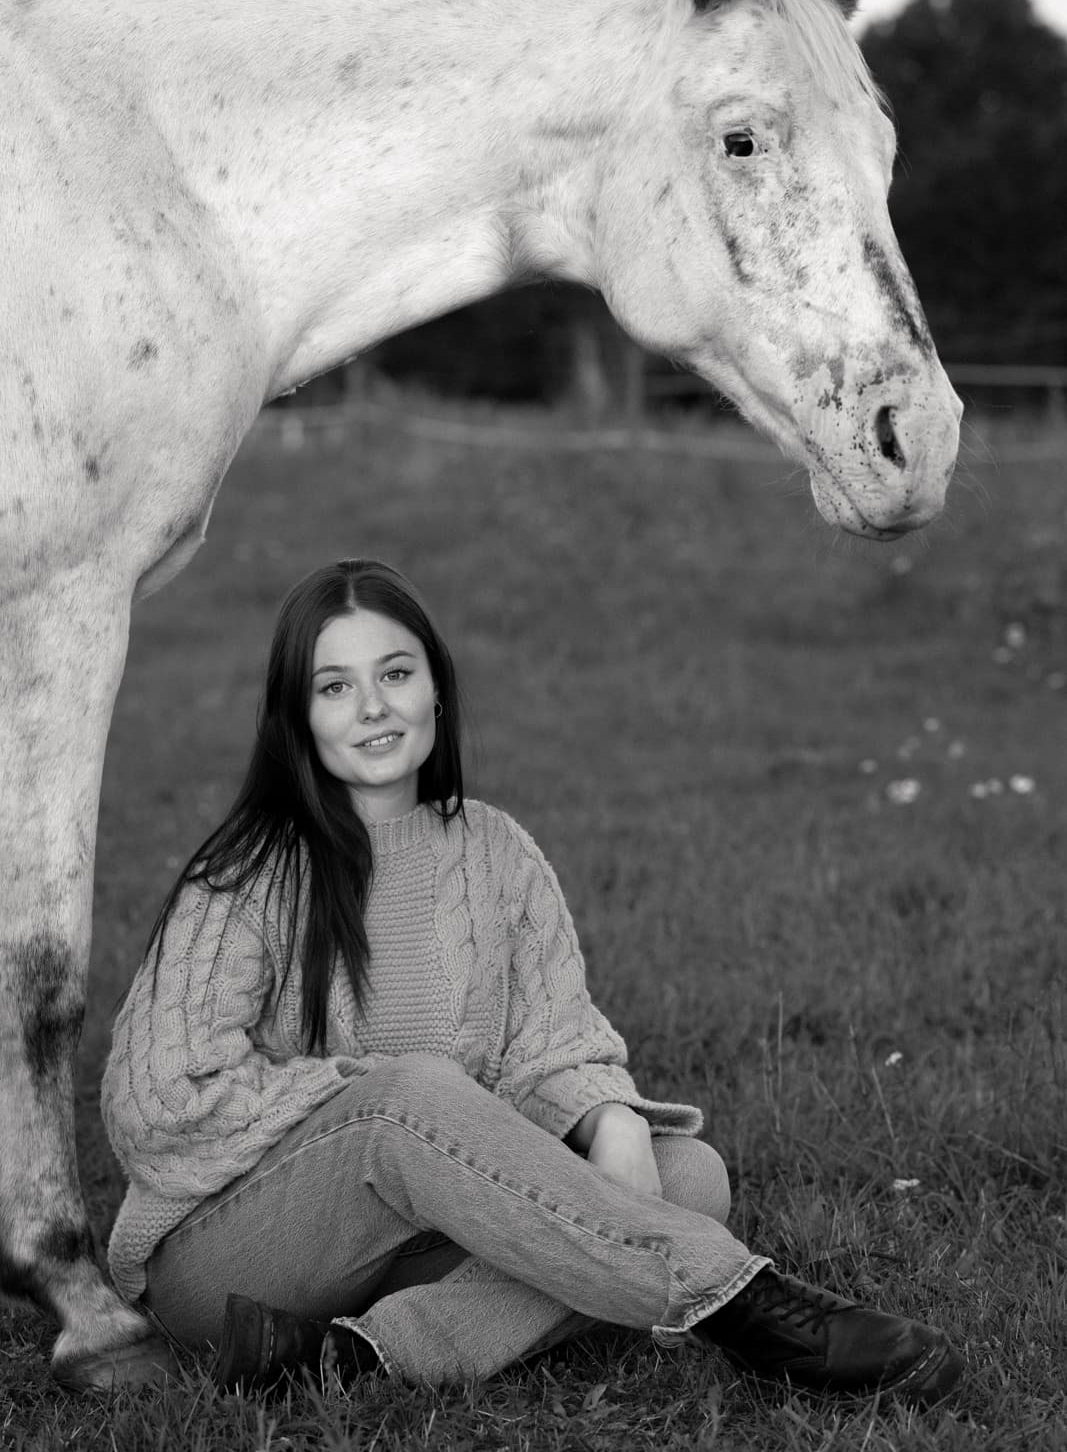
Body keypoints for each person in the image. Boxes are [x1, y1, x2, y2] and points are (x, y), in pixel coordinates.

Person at [102, 559, 964, 1402]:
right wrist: (366, 1106)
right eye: (334, 687)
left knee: (687, 1175)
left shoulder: (496, 853)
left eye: (395, 673)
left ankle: (353, 1357)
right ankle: (747, 1307)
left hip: (406, 1242)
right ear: (298, 716)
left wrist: (607, 1115)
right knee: (409, 1101)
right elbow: (159, 1099)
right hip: (232, 1259)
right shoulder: (250, 871)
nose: (371, 707)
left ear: (434, 689)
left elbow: (554, 1044)